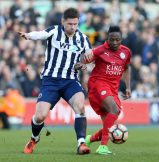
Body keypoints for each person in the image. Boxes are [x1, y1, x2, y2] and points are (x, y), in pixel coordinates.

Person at [18, 7, 91, 155]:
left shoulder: (83, 39)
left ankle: (81, 143)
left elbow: (88, 57)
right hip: (51, 80)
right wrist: (29, 35)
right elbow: (41, 34)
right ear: (63, 21)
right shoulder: (55, 31)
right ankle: (34, 138)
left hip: (70, 80)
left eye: (75, 24)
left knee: (80, 106)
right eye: (70, 24)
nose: (72, 27)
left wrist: (83, 64)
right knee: (39, 116)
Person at [79, 26, 131, 155]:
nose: (114, 42)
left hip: (113, 89)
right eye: (111, 39)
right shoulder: (100, 50)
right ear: (107, 38)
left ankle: (89, 139)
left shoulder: (126, 52)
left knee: (109, 125)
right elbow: (84, 59)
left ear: (121, 39)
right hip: (98, 84)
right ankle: (102, 147)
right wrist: (82, 63)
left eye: (117, 40)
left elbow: (126, 68)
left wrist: (128, 87)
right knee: (114, 110)